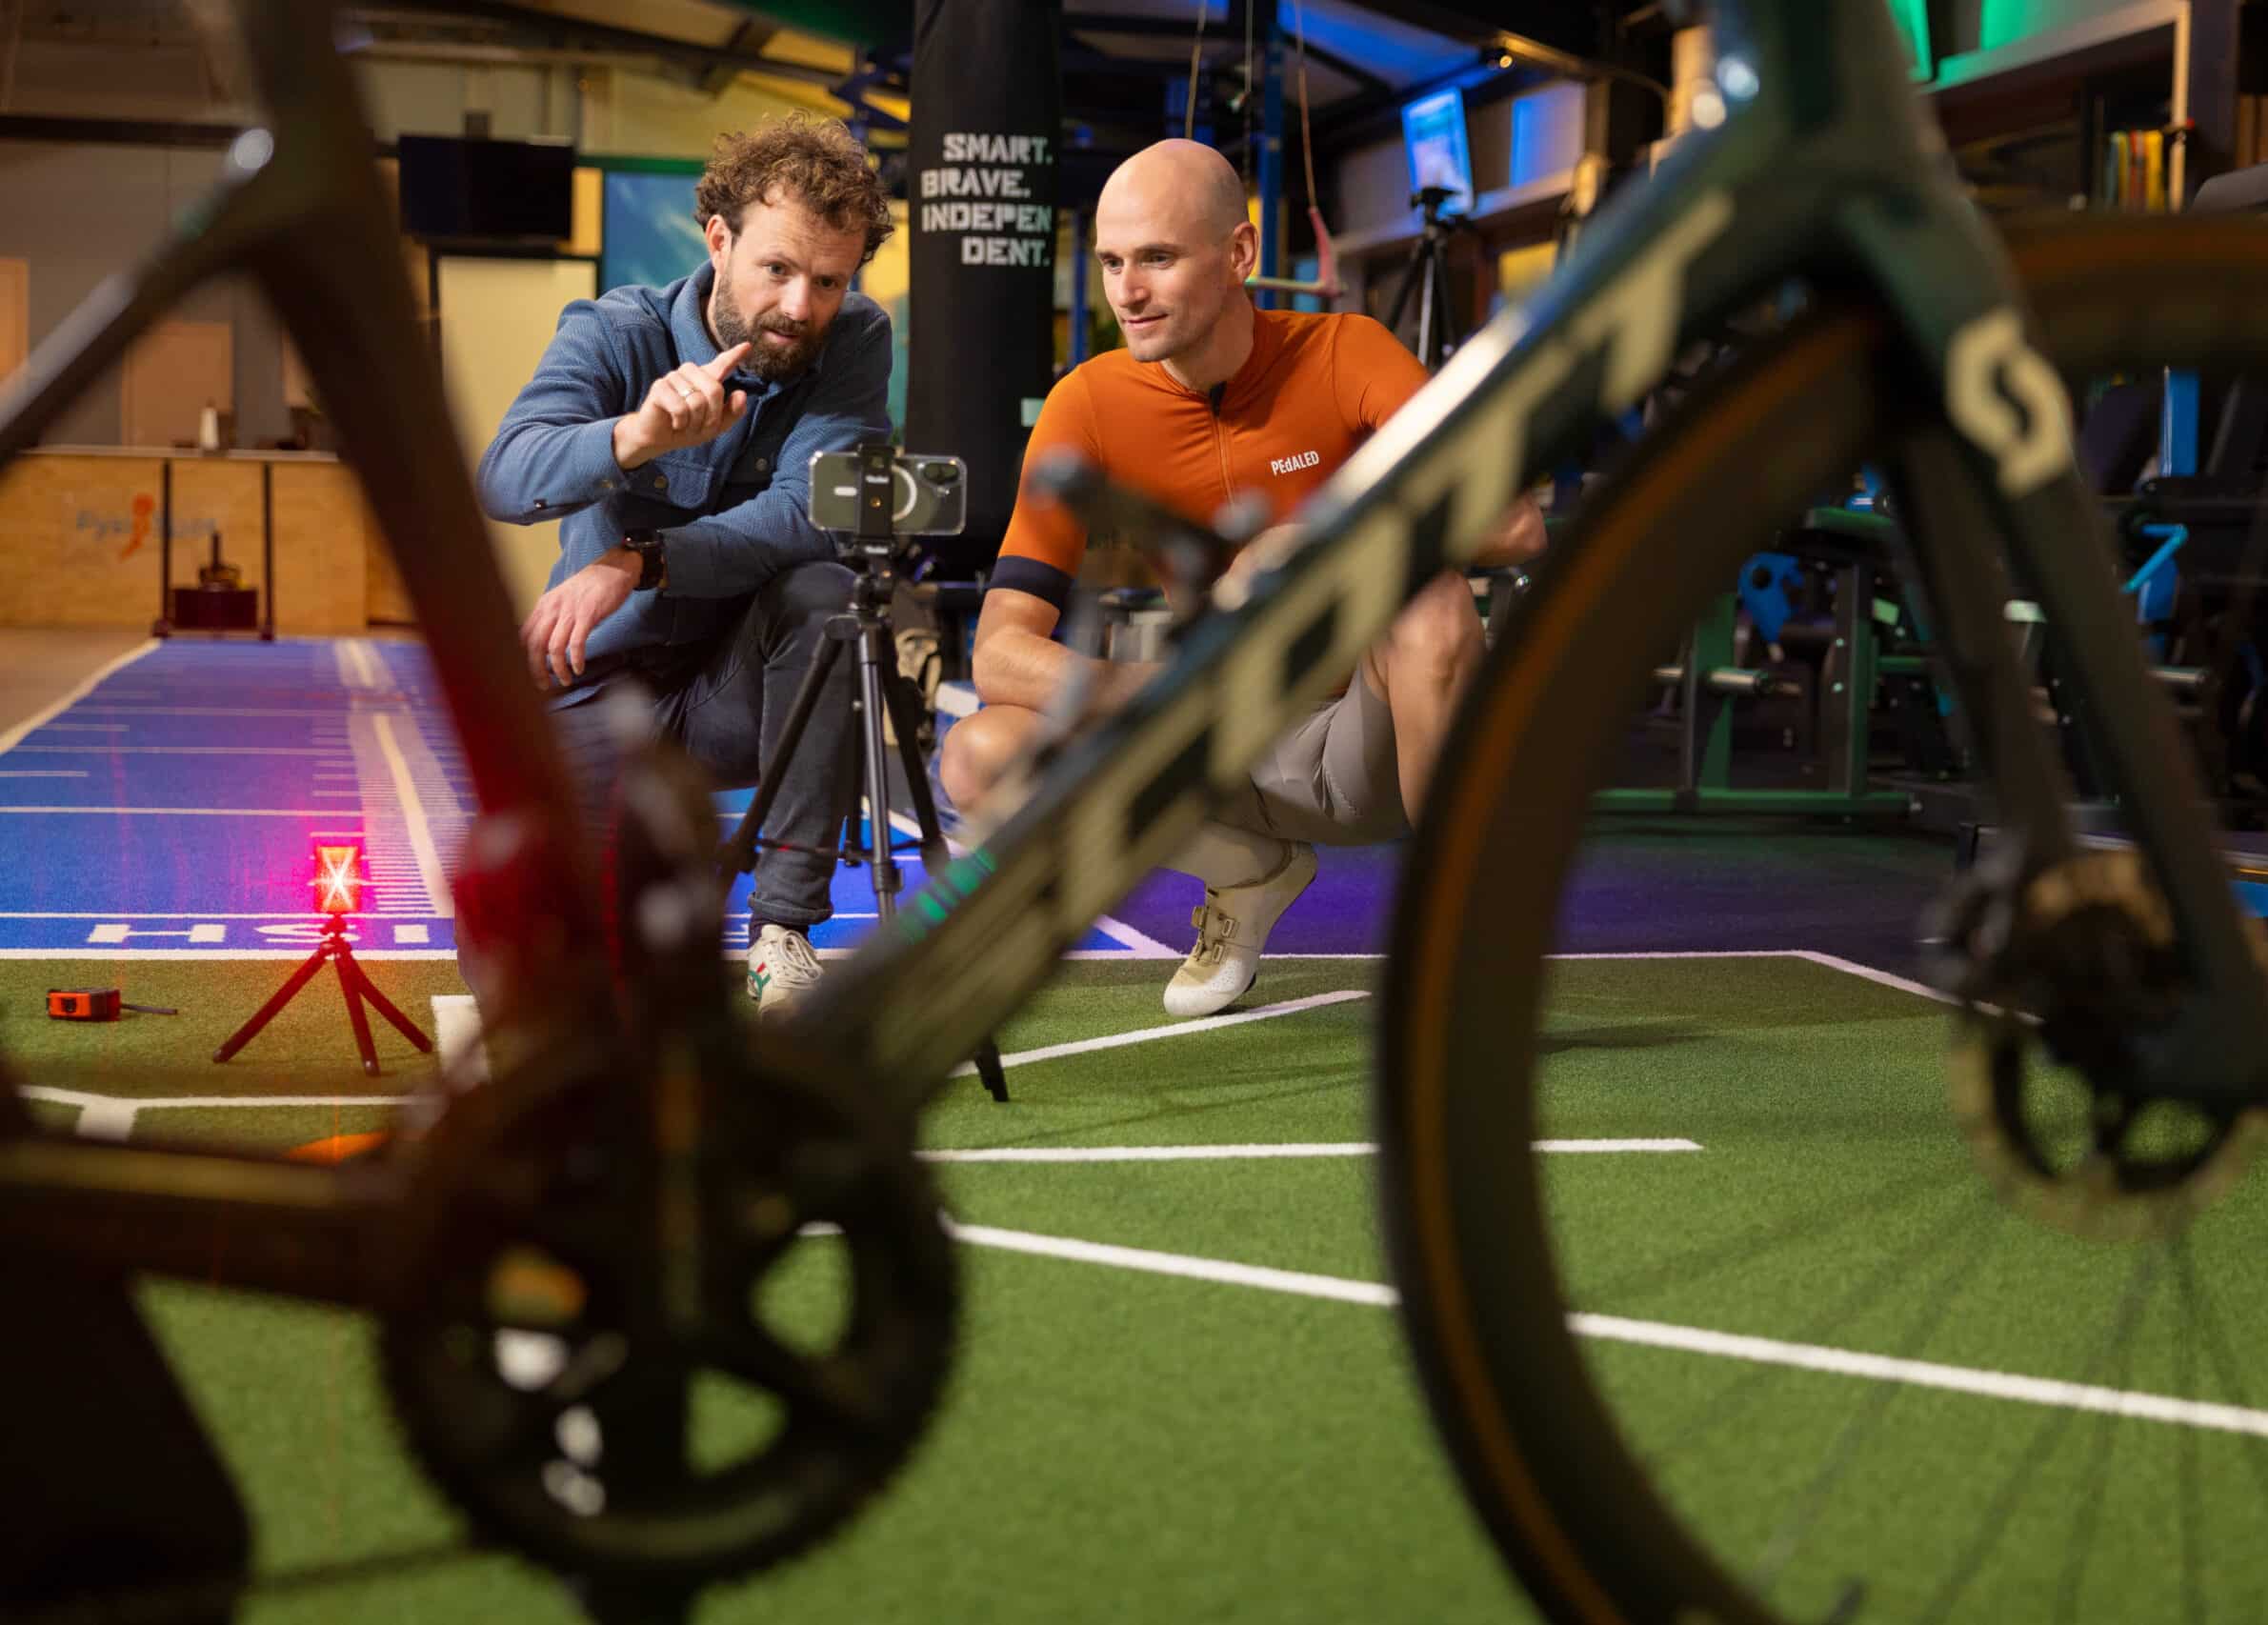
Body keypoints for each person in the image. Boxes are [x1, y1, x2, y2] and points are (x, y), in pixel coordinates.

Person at [940, 138, 1544, 1018]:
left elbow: (1516, 522)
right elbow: (999, 654)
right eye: (1111, 262)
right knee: (978, 754)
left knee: (1431, 597)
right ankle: (1250, 875)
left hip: (1359, 742)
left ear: (1240, 253)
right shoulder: (1088, 403)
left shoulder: (1345, 351)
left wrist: (1320, 539)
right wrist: (1171, 689)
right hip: (1210, 748)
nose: (1126, 292)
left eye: (1157, 257)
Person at [476, 112, 894, 1021]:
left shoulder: (853, 340)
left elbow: (807, 513)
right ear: (718, 240)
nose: (801, 306)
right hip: (593, 693)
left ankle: (782, 931)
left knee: (829, 595)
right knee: (550, 976)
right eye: (778, 269)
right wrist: (633, 437)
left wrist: (639, 560)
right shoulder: (613, 331)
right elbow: (503, 477)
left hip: (733, 693)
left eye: (829, 280)